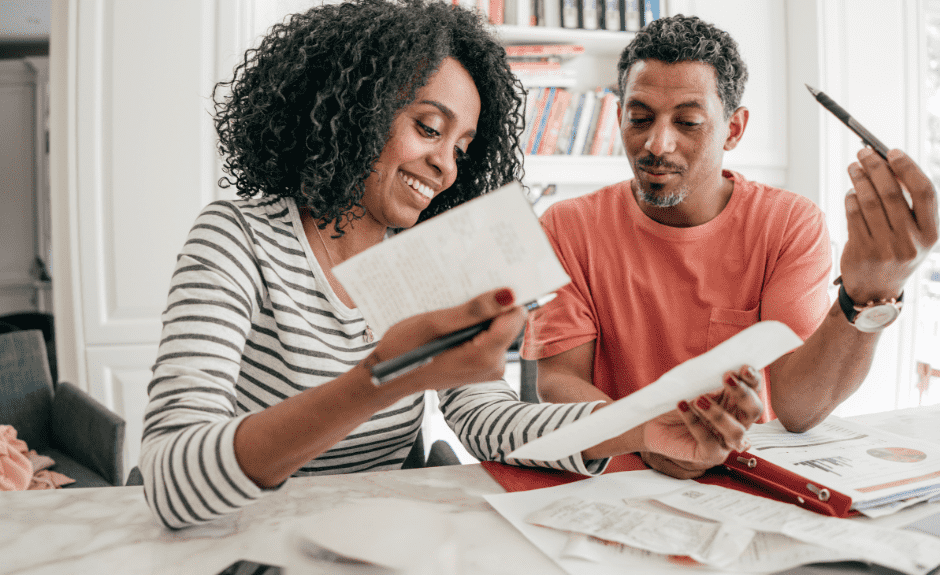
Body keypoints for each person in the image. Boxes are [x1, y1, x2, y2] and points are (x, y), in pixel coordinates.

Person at [140, 0, 764, 529]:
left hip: (365, 536)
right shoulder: (238, 237)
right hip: (237, 536)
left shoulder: (430, 261)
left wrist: (639, 424)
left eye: (463, 147)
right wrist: (385, 377)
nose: (446, 167)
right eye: (428, 128)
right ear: (354, 106)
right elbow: (170, 477)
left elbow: (488, 421)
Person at [523, 14, 939, 480]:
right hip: (615, 474)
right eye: (639, 118)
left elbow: (798, 409)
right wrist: (644, 435)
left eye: (688, 122)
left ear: (733, 130)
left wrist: (866, 294)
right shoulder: (567, 225)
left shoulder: (787, 224)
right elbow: (559, 379)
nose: (657, 144)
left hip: (740, 477)